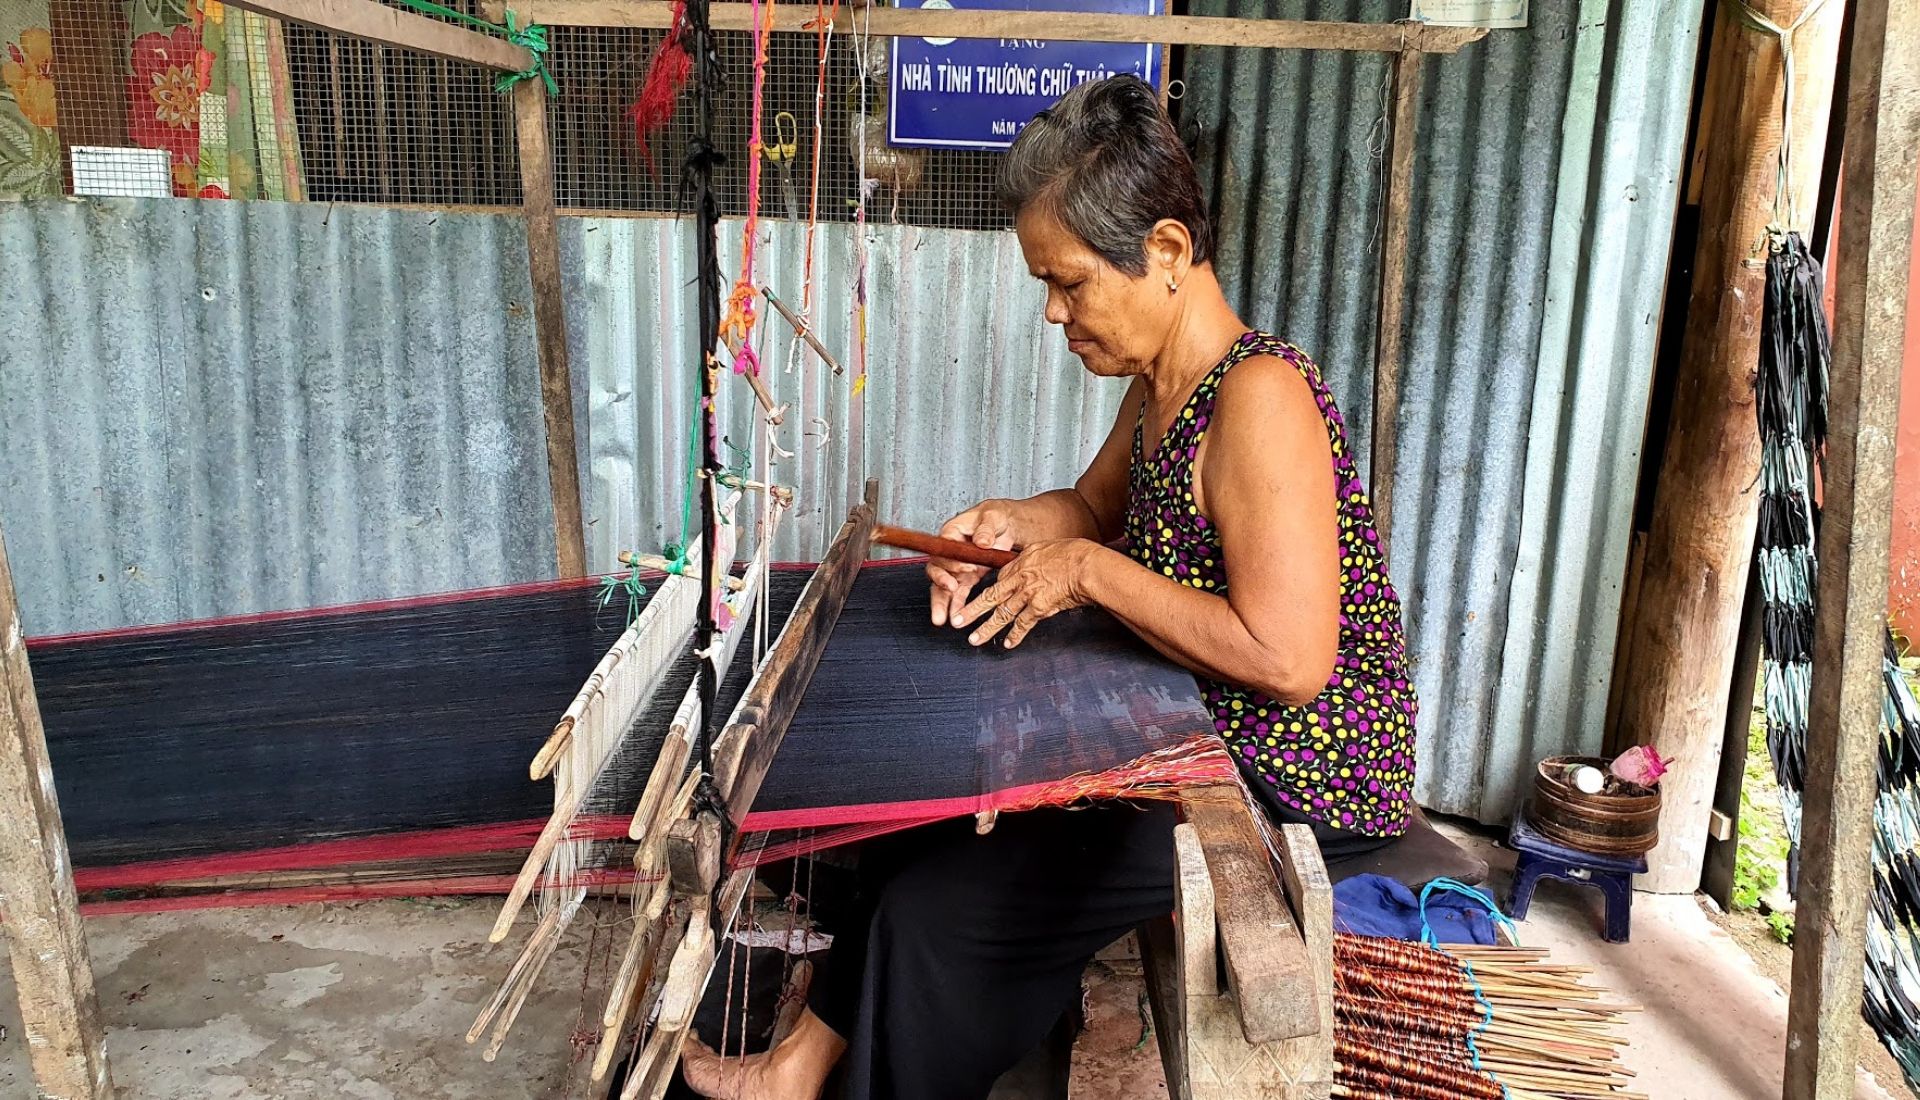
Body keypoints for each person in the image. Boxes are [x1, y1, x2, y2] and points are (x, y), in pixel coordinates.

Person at [681, 72, 1416, 1100]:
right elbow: (1088, 507)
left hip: (1283, 777)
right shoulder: (1166, 386)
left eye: (1067, 282)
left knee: (942, 910)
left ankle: (860, 1068)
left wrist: (1090, 573)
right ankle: (809, 1056)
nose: (1052, 313)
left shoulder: (1260, 398)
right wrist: (1014, 525)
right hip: (1188, 717)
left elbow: (1291, 660)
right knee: (921, 818)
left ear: (1164, 253)